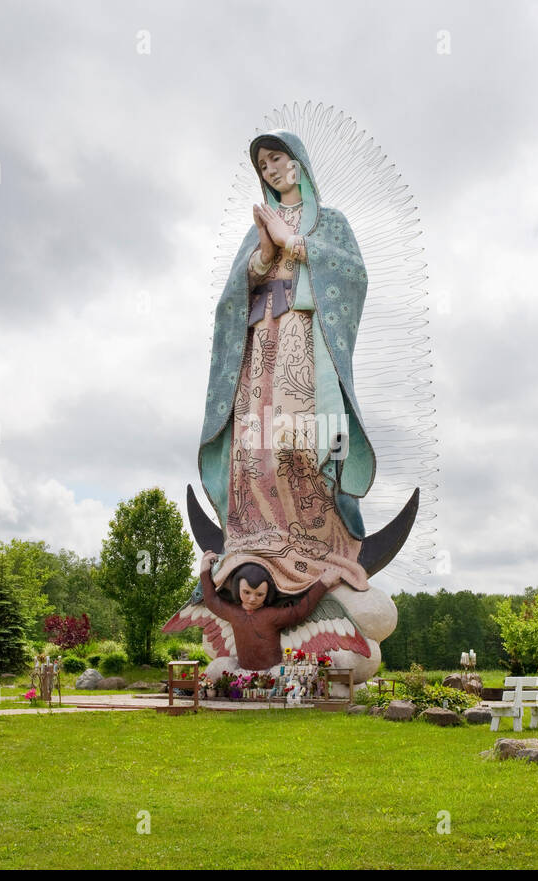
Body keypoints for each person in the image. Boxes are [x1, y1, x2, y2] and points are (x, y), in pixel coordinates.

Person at [196, 129, 376, 602]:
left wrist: (293, 242)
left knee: (299, 438)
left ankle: (314, 544)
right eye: (262, 166)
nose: (270, 170)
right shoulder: (256, 232)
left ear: (297, 162)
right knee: (253, 445)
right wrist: (262, 255)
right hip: (260, 348)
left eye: (276, 159)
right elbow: (231, 298)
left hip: (302, 342)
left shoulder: (330, 223)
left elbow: (352, 276)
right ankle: (255, 540)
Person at [197, 549, 340, 670]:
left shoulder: (271, 616)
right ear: (237, 588)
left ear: (267, 594)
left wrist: (324, 583)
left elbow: (299, 612)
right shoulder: (234, 613)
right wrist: (204, 570)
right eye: (246, 592)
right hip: (243, 673)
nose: (252, 599)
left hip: (272, 672)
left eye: (259, 594)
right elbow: (212, 601)